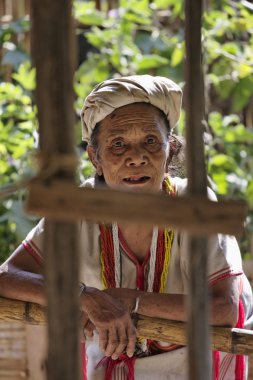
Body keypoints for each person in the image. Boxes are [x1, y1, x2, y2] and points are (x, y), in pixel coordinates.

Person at [0, 75, 252, 380]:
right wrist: (87, 297)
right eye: (118, 145)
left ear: (170, 149)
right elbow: (6, 277)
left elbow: (224, 309)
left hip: (200, 360)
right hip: (112, 361)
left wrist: (130, 300)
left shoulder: (194, 205)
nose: (136, 157)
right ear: (95, 157)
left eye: (150, 141)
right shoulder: (78, 209)